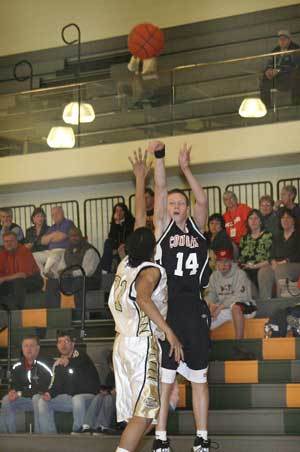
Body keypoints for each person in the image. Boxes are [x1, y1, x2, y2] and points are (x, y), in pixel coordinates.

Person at [109, 149, 183, 452]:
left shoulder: (125, 262)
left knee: (137, 417)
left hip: (121, 344)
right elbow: (142, 297)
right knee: (145, 413)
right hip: (141, 344)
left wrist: (140, 177)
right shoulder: (150, 269)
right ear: (153, 247)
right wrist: (168, 330)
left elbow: (139, 215)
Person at [150, 141, 211, 452]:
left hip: (195, 308)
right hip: (170, 308)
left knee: (200, 378)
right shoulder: (163, 227)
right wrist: (160, 158)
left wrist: (186, 169)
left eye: (180, 203)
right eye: (171, 203)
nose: (175, 206)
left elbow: (202, 199)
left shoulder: (198, 227)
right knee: (167, 379)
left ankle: (201, 437)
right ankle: (161, 438)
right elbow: (160, 189)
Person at [38, 330, 100, 434]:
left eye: (66, 341)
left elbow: (79, 360)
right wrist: (49, 393)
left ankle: (79, 432)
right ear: (57, 345)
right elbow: (56, 385)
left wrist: (69, 361)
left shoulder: (81, 355)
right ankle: (49, 436)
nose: (63, 345)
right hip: (70, 399)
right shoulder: (58, 364)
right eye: (60, 342)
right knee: (42, 401)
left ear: (73, 344)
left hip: (89, 398)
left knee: (77, 398)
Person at [0, 335, 52, 433]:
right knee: (6, 400)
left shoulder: (46, 363)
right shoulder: (17, 365)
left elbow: (42, 388)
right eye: (25, 346)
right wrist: (12, 391)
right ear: (22, 348)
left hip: (42, 400)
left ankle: (39, 436)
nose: (28, 349)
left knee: (37, 398)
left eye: (32, 346)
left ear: (38, 348)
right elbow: (15, 384)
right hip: (25, 400)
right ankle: (8, 436)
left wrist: (20, 393)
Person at [45, 227, 101, 314]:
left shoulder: (89, 250)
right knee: (51, 283)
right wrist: (53, 275)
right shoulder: (67, 251)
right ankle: (54, 315)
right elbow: (62, 269)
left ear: (82, 237)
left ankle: (80, 315)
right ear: (68, 238)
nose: (74, 238)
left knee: (79, 281)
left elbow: (87, 272)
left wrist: (71, 273)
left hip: (91, 281)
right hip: (72, 280)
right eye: (71, 236)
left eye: (76, 235)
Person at [208, 249, 257, 339]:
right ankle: (205, 347)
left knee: (235, 307)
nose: (223, 265)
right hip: (224, 309)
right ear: (216, 263)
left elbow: (240, 297)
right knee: (203, 317)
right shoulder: (214, 276)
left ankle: (239, 344)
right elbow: (211, 295)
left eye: (226, 261)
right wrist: (211, 306)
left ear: (231, 262)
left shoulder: (240, 274)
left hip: (246, 307)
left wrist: (220, 307)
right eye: (220, 261)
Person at [258, 208, 300, 299]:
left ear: (294, 220)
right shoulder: (277, 236)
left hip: (295, 264)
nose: (285, 220)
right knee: (263, 271)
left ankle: (281, 304)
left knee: (281, 269)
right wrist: (273, 262)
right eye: (283, 218)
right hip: (277, 264)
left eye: (288, 217)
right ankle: (266, 303)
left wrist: (285, 261)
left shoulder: (298, 234)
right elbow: (271, 253)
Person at [74, 350, 116, 435]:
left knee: (108, 398)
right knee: (99, 396)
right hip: (111, 396)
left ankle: (102, 427)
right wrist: (106, 391)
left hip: (122, 401)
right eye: (111, 366)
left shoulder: (126, 375)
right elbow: (109, 388)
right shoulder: (110, 375)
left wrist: (113, 392)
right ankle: (87, 426)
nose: (113, 368)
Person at [0, 232, 43, 309]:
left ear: (16, 241)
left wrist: (4, 278)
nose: (9, 243)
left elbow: (22, 274)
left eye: (11, 241)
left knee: (18, 281)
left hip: (33, 280)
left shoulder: (23, 251)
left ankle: (18, 310)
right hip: (12, 281)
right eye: (6, 241)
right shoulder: (2, 254)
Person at [260, 30, 300, 108]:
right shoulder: (275, 51)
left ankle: (296, 104)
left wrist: (278, 71)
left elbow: (295, 66)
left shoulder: (296, 49)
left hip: (290, 78)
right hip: (278, 79)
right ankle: (265, 106)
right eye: (280, 39)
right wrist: (268, 71)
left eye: (284, 39)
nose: (282, 41)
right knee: (264, 80)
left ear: (289, 40)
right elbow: (270, 64)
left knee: (296, 74)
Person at [239, 209, 273, 299]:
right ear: (248, 221)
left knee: (261, 273)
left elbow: (271, 258)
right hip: (247, 268)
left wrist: (255, 266)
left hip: (263, 267)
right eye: (251, 218)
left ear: (260, 221)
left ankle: (263, 303)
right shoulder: (244, 238)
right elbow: (241, 258)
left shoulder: (268, 235)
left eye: (256, 218)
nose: (253, 221)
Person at [33, 206, 75, 276]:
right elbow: (43, 241)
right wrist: (54, 235)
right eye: (52, 215)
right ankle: (44, 275)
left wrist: (50, 237)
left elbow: (61, 237)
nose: (54, 216)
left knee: (53, 256)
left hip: (63, 250)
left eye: (57, 213)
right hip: (50, 251)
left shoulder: (68, 223)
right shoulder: (52, 227)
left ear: (62, 213)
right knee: (33, 256)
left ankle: (46, 272)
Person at [102, 203, 135, 273]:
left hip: (127, 244)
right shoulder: (114, 223)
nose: (119, 213)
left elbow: (129, 235)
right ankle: (104, 269)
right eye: (117, 211)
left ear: (125, 211)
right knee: (108, 242)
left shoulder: (131, 221)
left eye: (121, 210)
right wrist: (116, 224)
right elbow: (111, 236)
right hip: (117, 245)